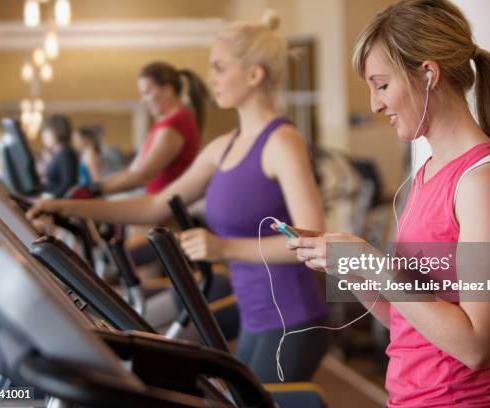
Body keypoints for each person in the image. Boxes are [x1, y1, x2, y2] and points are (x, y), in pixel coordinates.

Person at [28, 11, 329, 383]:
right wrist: (64, 206)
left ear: (255, 74)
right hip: (255, 313)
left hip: (292, 315)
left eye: (219, 67)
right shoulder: (223, 147)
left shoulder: (282, 142)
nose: (211, 78)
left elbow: (314, 242)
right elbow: (156, 205)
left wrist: (224, 248)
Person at [286, 1, 490, 406]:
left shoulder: (485, 182)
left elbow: (475, 345)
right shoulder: (428, 173)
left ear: (428, 75)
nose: (374, 104)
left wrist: (368, 261)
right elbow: (406, 321)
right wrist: (349, 269)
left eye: (381, 85)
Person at [93, 61, 209, 196]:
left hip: (167, 209)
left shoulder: (177, 121)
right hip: (156, 202)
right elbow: (133, 170)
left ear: (167, 90)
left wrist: (94, 190)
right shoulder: (162, 124)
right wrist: (95, 185)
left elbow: (143, 176)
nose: (143, 100)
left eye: (147, 92)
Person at [41, 114, 78, 198]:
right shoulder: (58, 153)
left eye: (46, 132)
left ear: (56, 132)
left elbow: (68, 183)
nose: (43, 136)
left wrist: (49, 196)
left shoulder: (65, 153)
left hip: (59, 203)